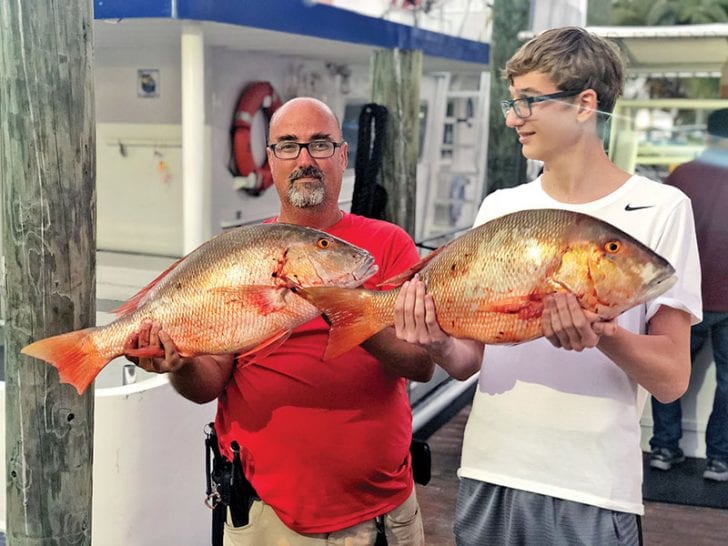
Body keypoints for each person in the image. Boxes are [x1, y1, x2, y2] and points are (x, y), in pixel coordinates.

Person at [393, 27, 702, 545]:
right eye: (513, 103)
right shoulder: (500, 207)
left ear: (585, 104)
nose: (514, 118)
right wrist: (437, 339)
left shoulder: (663, 209)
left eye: (529, 102)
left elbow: (672, 378)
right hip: (490, 469)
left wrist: (605, 334)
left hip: (593, 487)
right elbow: (470, 360)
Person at [123, 97, 435, 545]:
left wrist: (344, 308)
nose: (305, 159)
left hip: (378, 513)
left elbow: (422, 364)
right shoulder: (238, 253)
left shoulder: (385, 247)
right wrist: (180, 364)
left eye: (320, 145)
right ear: (270, 160)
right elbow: (207, 382)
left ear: (343, 156)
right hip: (266, 518)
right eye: (287, 146)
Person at [649, 108, 728, 482]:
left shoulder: (682, 175)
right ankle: (720, 460)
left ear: (707, 136)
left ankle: (664, 447)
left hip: (683, 295)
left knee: (666, 370)